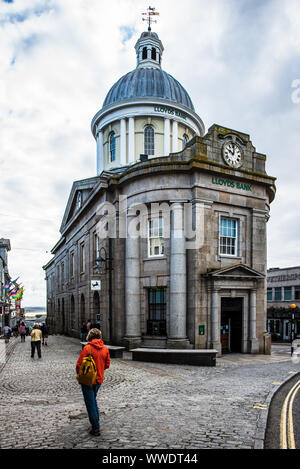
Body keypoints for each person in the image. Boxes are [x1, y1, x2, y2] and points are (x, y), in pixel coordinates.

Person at [76, 328, 110, 436]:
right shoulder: (105, 349)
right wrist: (99, 370)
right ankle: (96, 418)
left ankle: (95, 427)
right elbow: (107, 365)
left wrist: (81, 376)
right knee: (93, 400)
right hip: (99, 379)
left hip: (87, 380)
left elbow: (79, 365)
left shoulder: (87, 348)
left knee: (90, 403)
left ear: (89, 337)